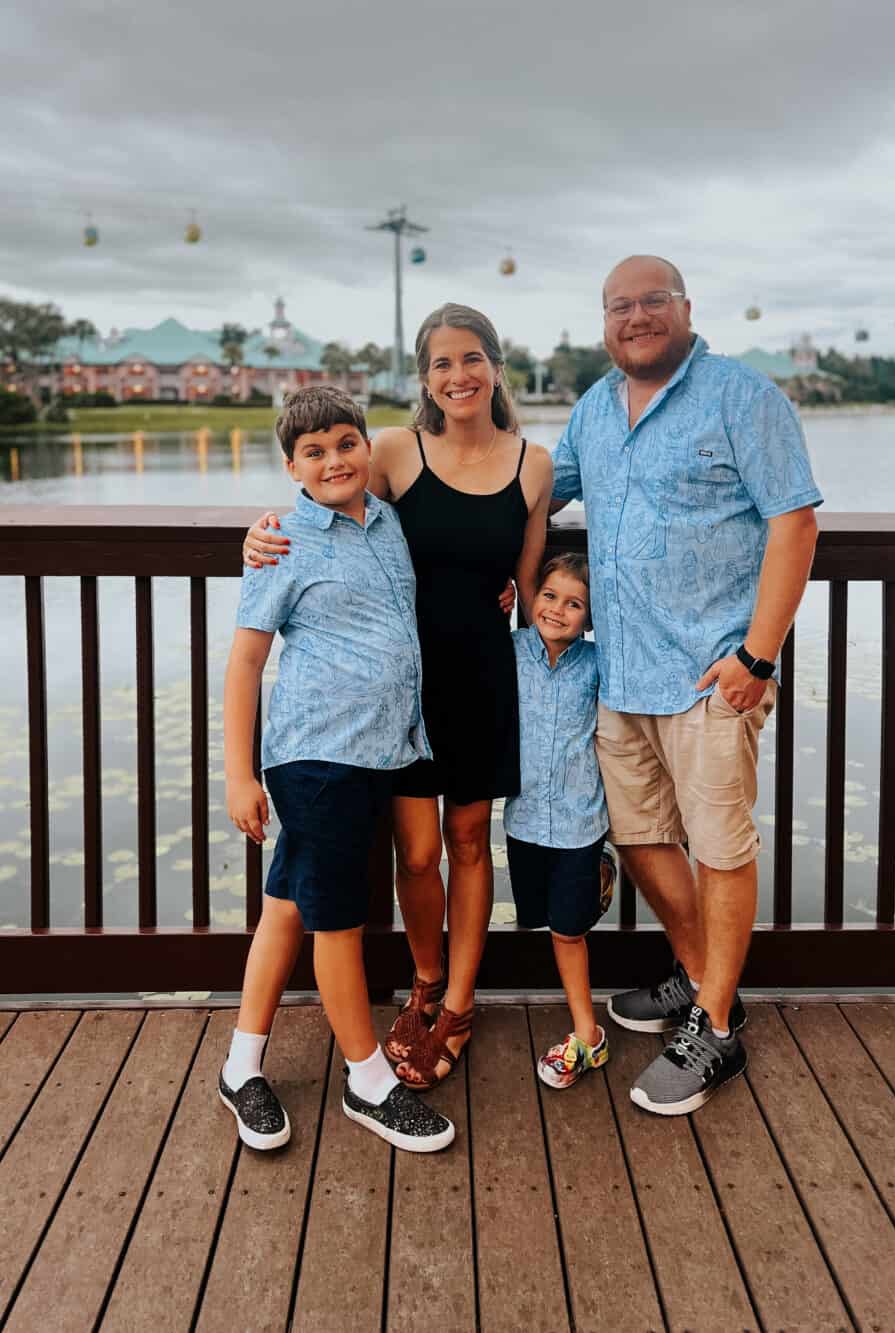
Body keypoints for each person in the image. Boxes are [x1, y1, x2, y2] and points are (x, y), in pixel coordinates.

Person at [241, 305, 553, 1091]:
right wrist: (259, 532)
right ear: (424, 378)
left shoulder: (535, 464)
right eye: (443, 363)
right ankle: (422, 977)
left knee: (471, 840)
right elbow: (326, 508)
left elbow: (528, 579)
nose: (460, 375)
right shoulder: (391, 451)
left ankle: (457, 1001)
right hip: (401, 690)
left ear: (497, 366)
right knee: (416, 850)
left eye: (473, 358)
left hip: (481, 672)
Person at [550, 255, 822, 1115]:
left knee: (719, 845)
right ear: (604, 322)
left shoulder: (743, 396)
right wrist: (374, 489)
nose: (636, 317)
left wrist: (758, 655)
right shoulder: (593, 408)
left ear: (685, 308)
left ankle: (712, 1029)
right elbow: (525, 492)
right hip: (620, 671)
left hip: (713, 672)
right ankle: (707, 980)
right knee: (638, 838)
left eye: (651, 302)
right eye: (619, 306)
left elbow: (795, 520)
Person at [220, 385, 454, 1153]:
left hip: (383, 746)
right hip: (317, 754)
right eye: (313, 452)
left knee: (290, 901)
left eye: (345, 443)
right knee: (339, 917)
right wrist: (238, 772)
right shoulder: (285, 537)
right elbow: (247, 659)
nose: (333, 460)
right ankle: (367, 1081)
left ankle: (241, 1063)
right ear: (292, 466)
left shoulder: (387, 520)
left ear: (366, 447)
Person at [504, 552, 614, 1089]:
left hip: (578, 823)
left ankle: (588, 1034)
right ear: (531, 597)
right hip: (522, 820)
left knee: (569, 931)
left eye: (575, 604)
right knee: (539, 917)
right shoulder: (509, 651)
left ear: (591, 618)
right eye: (549, 596)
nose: (557, 610)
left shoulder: (599, 662)